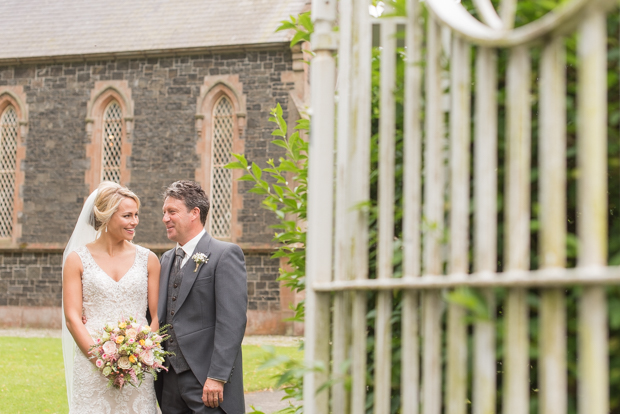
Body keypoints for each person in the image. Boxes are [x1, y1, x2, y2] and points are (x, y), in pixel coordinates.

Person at [62, 181, 161, 413]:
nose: (134, 222)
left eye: (136, 215)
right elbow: (72, 318)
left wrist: (142, 354)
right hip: (92, 364)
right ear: (107, 216)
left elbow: (156, 317)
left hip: (138, 366)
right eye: (127, 215)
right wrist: (102, 362)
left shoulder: (149, 259)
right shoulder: (77, 260)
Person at [155, 180, 248, 414]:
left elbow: (232, 322)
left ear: (194, 213)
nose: (165, 218)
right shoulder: (165, 260)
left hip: (206, 382)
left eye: (172, 212)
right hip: (169, 382)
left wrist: (217, 376)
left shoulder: (224, 255)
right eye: (164, 212)